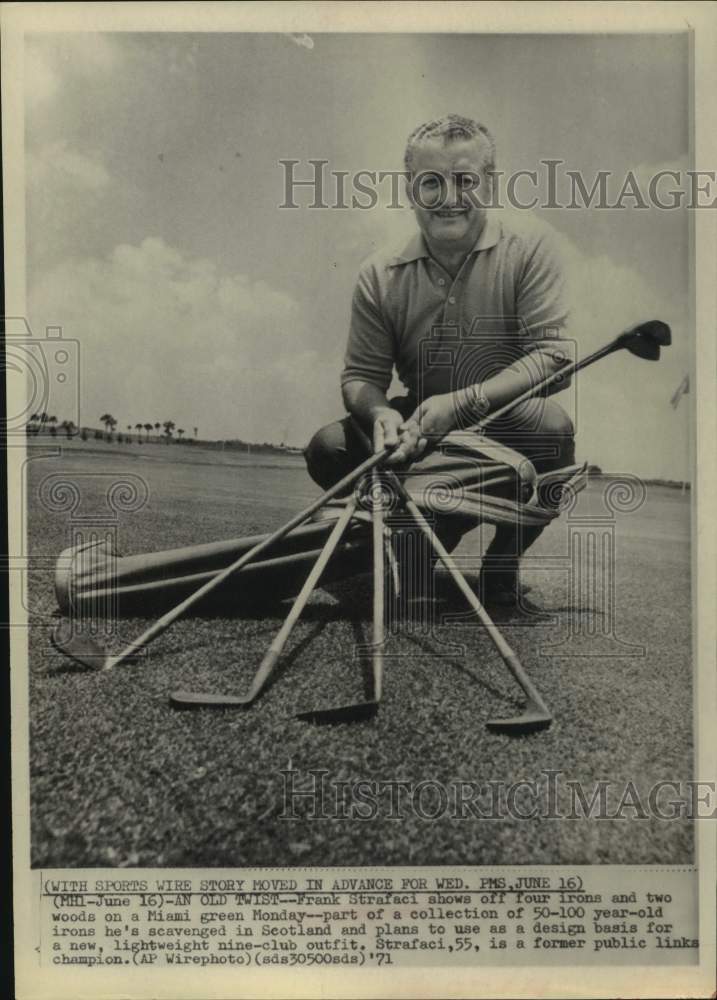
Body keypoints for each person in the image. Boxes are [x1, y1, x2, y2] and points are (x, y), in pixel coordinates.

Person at [305, 114, 575, 607]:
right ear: (410, 190)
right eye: (431, 182)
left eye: (465, 180)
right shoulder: (378, 272)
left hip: (504, 425)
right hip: (420, 426)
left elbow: (553, 356)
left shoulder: (532, 245)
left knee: (553, 430)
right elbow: (362, 376)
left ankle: (502, 559)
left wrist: (465, 403)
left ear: (489, 185)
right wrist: (380, 413)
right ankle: (419, 538)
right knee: (329, 447)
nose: (448, 196)